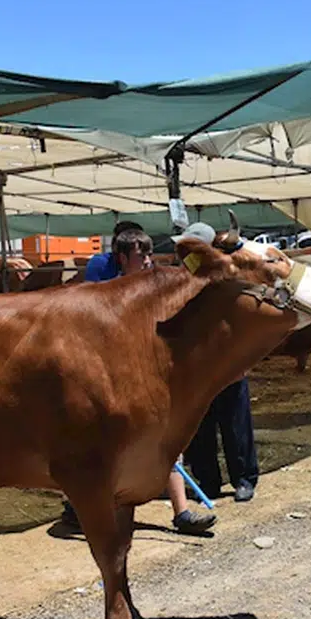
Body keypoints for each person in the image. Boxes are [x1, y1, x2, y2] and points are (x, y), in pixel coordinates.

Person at [63, 220, 216, 534]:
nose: (147, 261)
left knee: (167, 442)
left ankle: (182, 512)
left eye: (148, 255)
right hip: (112, 383)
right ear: (121, 259)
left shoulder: (156, 289)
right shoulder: (104, 296)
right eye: (139, 256)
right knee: (103, 450)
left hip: (149, 380)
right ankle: (81, 506)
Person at [176, 223, 261, 503]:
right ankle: (208, 481)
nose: (185, 256)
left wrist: (244, 357)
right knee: (201, 427)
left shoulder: (229, 280)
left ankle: (244, 479)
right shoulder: (183, 280)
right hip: (198, 366)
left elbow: (246, 321)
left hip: (228, 362)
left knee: (235, 422)